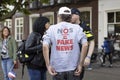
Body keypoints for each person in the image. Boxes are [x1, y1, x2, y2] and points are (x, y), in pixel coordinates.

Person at [43, 6, 88, 80]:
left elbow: (45, 46)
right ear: (70, 17)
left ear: (59, 16)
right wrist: (80, 64)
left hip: (57, 69)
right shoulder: (77, 28)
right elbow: (85, 45)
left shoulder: (52, 29)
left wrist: (48, 65)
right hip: (73, 68)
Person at [71, 8, 95, 78]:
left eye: (72, 15)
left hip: (80, 59)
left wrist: (88, 57)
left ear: (77, 15)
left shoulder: (85, 26)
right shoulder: (68, 26)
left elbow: (91, 41)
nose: (70, 17)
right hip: (68, 59)